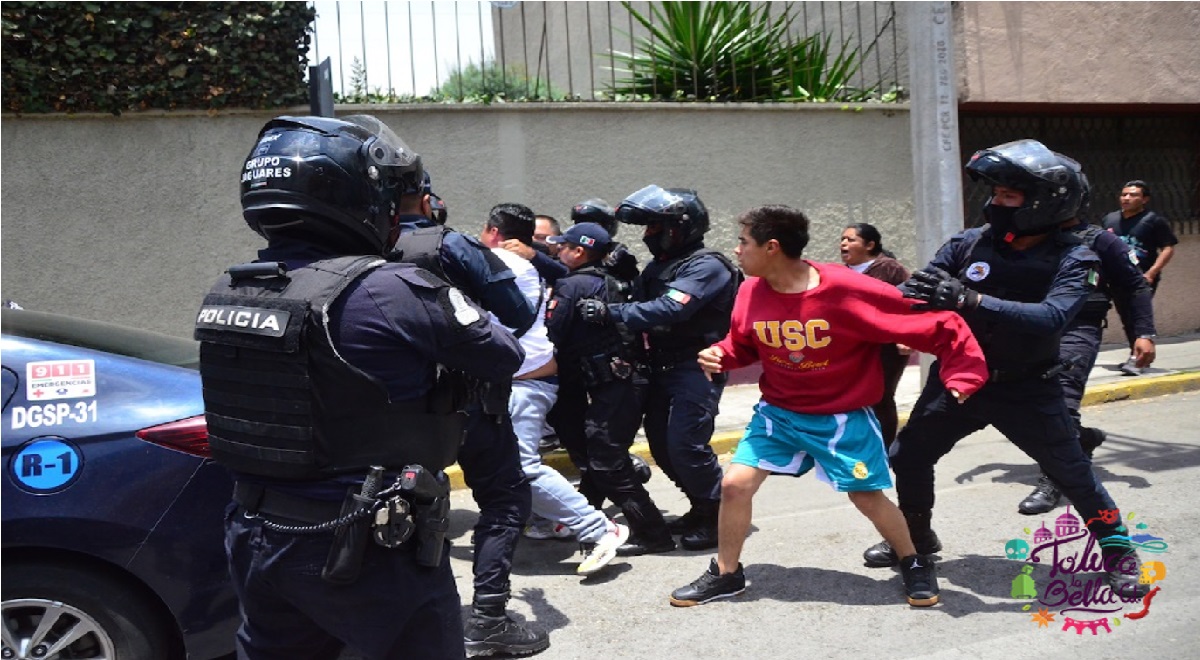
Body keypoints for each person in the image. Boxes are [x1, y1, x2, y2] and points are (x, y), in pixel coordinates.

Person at [198, 114, 523, 658]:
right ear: (353, 195)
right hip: (361, 540)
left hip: (255, 529)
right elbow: (502, 353)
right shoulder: (391, 288)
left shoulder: (233, 287)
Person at [861, 139, 1149, 599]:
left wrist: (969, 299)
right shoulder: (968, 243)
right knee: (909, 457)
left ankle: (1119, 554)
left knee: (1072, 473)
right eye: (994, 194)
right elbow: (916, 293)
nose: (994, 203)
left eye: (1008, 196)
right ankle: (918, 539)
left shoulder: (1076, 257)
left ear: (1043, 203)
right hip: (958, 381)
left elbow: (1051, 317)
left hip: (1028, 386)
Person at [668, 205, 988, 608]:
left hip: (841, 418)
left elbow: (926, 321)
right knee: (734, 485)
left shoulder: (844, 288)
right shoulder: (750, 290)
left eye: (743, 242)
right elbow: (744, 343)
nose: (736, 251)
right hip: (779, 414)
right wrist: (721, 354)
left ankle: (914, 559)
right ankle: (727, 574)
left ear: (771, 247)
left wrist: (964, 374)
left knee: (866, 497)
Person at [388, 171, 548, 656]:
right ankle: (488, 619)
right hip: (469, 397)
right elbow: (518, 314)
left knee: (401, 505)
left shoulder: (354, 245)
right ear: (425, 196)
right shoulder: (449, 244)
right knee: (504, 500)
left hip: (392, 404)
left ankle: (408, 615)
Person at [577, 185, 739, 551]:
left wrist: (610, 313)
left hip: (696, 366)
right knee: (663, 446)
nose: (648, 235)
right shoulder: (663, 264)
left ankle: (718, 515)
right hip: (662, 365)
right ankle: (701, 505)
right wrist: (629, 275)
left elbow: (671, 308)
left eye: (654, 227)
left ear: (680, 228)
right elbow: (645, 296)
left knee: (685, 444)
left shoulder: (706, 265)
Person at [477, 204, 631, 574]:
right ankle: (551, 520)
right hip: (526, 379)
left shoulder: (502, 264)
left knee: (521, 466)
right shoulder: (523, 265)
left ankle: (600, 529)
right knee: (505, 464)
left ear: (494, 233)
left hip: (526, 382)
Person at [1016, 180, 1157, 514]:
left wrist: (1143, 333)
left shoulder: (1101, 240)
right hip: (1030, 327)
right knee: (1024, 404)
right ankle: (1082, 439)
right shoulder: (1031, 236)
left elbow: (1133, 287)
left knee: (1061, 401)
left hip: (1078, 328)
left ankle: (1053, 481)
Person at [545, 222, 678, 557]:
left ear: (578, 252)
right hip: (627, 381)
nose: (558, 251)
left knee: (604, 458)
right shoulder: (615, 280)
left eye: (563, 247)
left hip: (616, 383)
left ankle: (652, 533)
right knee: (597, 455)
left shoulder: (571, 285)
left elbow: (552, 335)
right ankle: (585, 520)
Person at [840, 223, 913, 447]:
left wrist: (907, 336)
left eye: (851, 240)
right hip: (851, 346)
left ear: (870, 245)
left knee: (880, 396)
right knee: (851, 395)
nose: (844, 244)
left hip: (886, 345)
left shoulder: (890, 269)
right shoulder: (840, 273)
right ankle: (856, 443)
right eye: (842, 239)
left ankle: (883, 447)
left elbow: (909, 303)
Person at [1101, 180, 1177, 375]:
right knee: (1126, 317)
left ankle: (1138, 358)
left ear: (1144, 199)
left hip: (1141, 278)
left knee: (1138, 317)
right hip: (1116, 277)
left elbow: (1168, 248)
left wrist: (1152, 272)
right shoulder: (1110, 219)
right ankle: (1137, 356)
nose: (1126, 198)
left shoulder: (1153, 220)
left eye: (1133, 195)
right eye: (1124, 194)